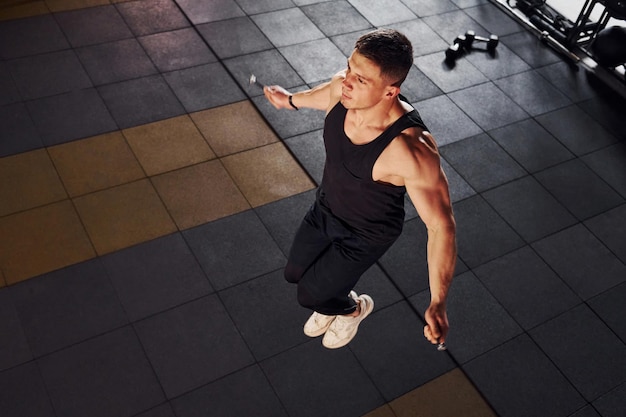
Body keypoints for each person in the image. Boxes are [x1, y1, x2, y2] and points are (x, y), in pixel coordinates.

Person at [263, 28, 457, 350]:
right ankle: (334, 298)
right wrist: (291, 101)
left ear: (390, 92)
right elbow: (324, 92)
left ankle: (353, 310)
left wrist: (438, 302)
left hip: (365, 234)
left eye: (361, 79)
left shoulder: (412, 150)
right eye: (349, 67)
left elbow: (441, 226)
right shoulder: (343, 87)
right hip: (326, 207)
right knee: (294, 274)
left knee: (309, 294)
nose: (347, 81)